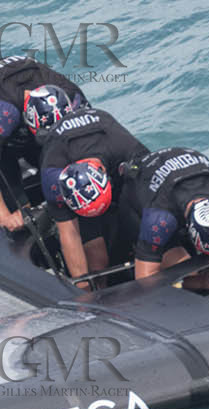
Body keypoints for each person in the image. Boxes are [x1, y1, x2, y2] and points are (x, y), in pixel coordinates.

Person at [0, 64, 86, 232]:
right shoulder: (0, 113)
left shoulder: (72, 95)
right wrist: (6, 219)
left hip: (25, 95)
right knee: (16, 202)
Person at [37, 104, 147, 287]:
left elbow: (152, 197)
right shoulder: (52, 174)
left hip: (116, 170)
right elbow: (69, 233)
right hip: (79, 186)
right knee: (98, 262)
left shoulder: (126, 148)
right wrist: (84, 288)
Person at [115, 148, 209, 291]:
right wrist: (198, 283)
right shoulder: (159, 219)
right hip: (137, 198)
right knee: (188, 267)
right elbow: (145, 281)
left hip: (180, 172)